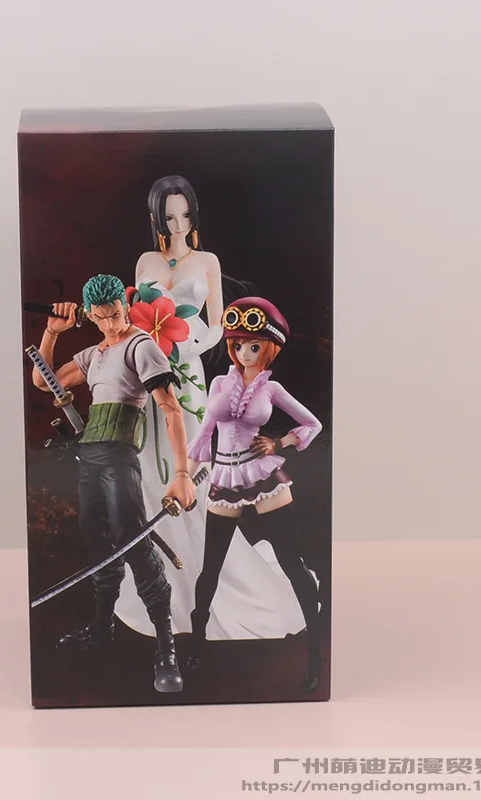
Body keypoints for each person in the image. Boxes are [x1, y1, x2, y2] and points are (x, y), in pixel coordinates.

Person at [114, 176, 313, 643]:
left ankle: (208, 585)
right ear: (156, 218)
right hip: (148, 369)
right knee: (149, 468)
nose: (177, 225)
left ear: (194, 215)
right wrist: (147, 347)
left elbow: (219, 325)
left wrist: (182, 344)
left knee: (194, 468)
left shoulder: (206, 261)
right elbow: (136, 320)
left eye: (184, 215)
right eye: (168, 217)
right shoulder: (145, 261)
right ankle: (159, 581)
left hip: (186, 371)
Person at [32, 274, 195, 693]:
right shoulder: (94, 354)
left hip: (119, 458)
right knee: (99, 545)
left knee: (133, 544)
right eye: (102, 318)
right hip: (88, 458)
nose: (111, 324)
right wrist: (52, 331)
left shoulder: (141, 346)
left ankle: (166, 647)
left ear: (125, 307)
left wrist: (182, 475)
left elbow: (171, 410)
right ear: (90, 316)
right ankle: (102, 626)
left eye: (117, 314)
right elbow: (44, 380)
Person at [184, 297, 325, 692]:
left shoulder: (272, 388)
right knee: (210, 568)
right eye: (239, 345)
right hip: (224, 477)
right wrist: (184, 479)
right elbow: (203, 437)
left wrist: (279, 443)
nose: (245, 353)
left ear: (269, 348)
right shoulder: (219, 384)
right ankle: (197, 642)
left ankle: (315, 653)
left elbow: (312, 424)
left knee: (292, 563)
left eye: (254, 346)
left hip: (263, 477)